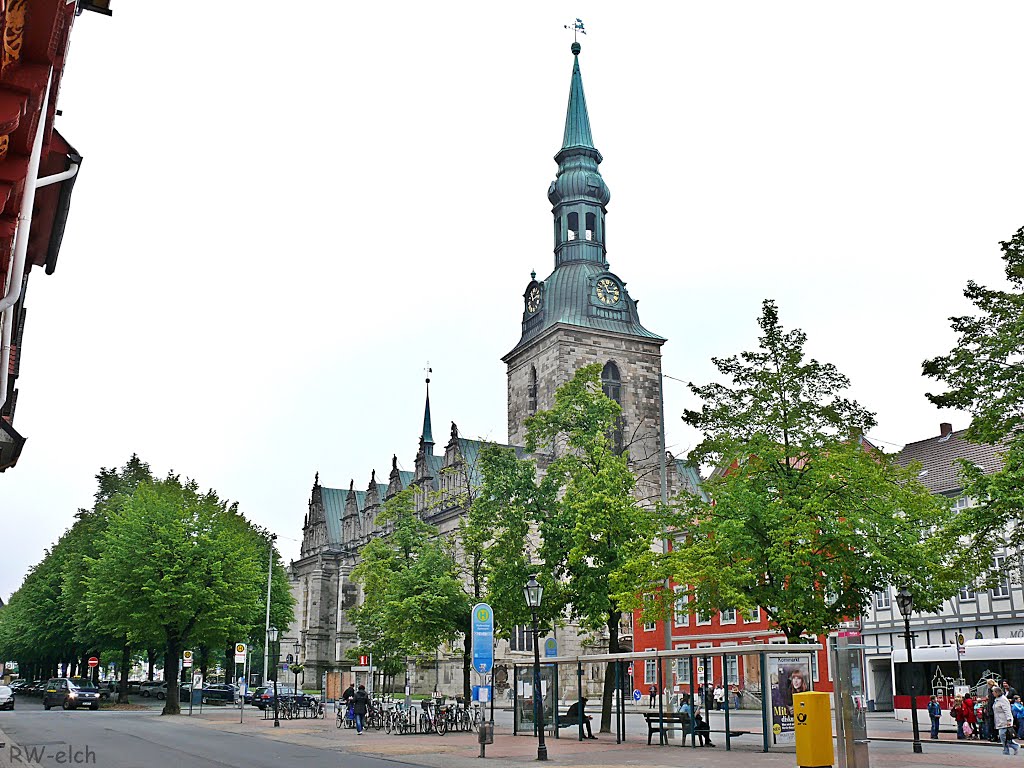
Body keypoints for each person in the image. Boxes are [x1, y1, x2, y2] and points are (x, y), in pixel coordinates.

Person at [994, 687, 1019, 755]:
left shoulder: (1003, 700)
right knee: (1005, 737)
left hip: (1005, 721)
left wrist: (1009, 720)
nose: (993, 693)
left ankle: (1014, 746)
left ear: (997, 692)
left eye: (994, 692)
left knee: (1003, 736)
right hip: (1000, 721)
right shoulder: (997, 700)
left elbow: (1007, 710)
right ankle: (1007, 749)